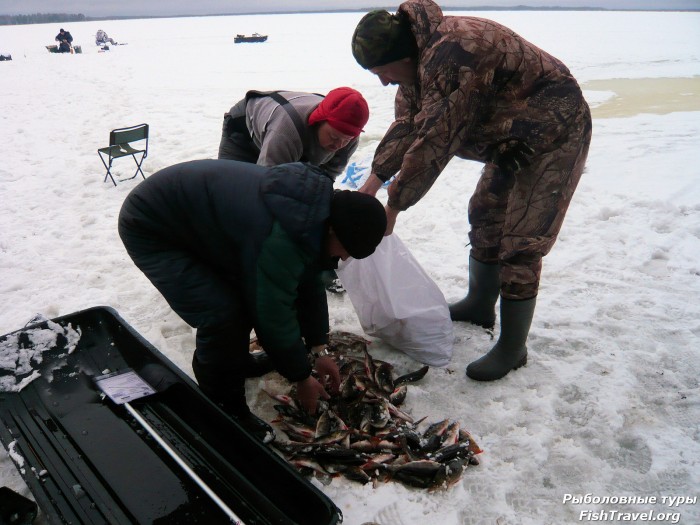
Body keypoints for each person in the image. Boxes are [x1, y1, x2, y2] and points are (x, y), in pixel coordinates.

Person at [351, 0, 592, 381]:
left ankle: (513, 347)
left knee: (521, 240)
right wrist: (372, 184)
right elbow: (407, 127)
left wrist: (393, 207)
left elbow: (434, 140)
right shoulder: (417, 67)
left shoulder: (453, 54)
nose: (382, 82)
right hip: (511, 136)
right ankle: (481, 304)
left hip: (554, 131)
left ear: (401, 55)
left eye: (382, 71)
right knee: (485, 212)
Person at [118, 159, 387, 439]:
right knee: (222, 314)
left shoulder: (311, 217)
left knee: (245, 295)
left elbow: (308, 283)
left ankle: (238, 361)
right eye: (346, 249)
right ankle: (223, 405)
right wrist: (301, 378)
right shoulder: (284, 236)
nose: (344, 257)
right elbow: (272, 314)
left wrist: (319, 349)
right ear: (334, 230)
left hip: (197, 225)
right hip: (153, 227)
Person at [219, 86, 370, 293]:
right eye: (334, 137)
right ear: (320, 119)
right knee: (239, 202)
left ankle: (317, 265)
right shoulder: (286, 131)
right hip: (244, 132)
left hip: (294, 140)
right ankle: (235, 267)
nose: (339, 145)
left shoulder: (346, 138)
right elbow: (266, 189)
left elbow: (323, 183)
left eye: (346, 140)